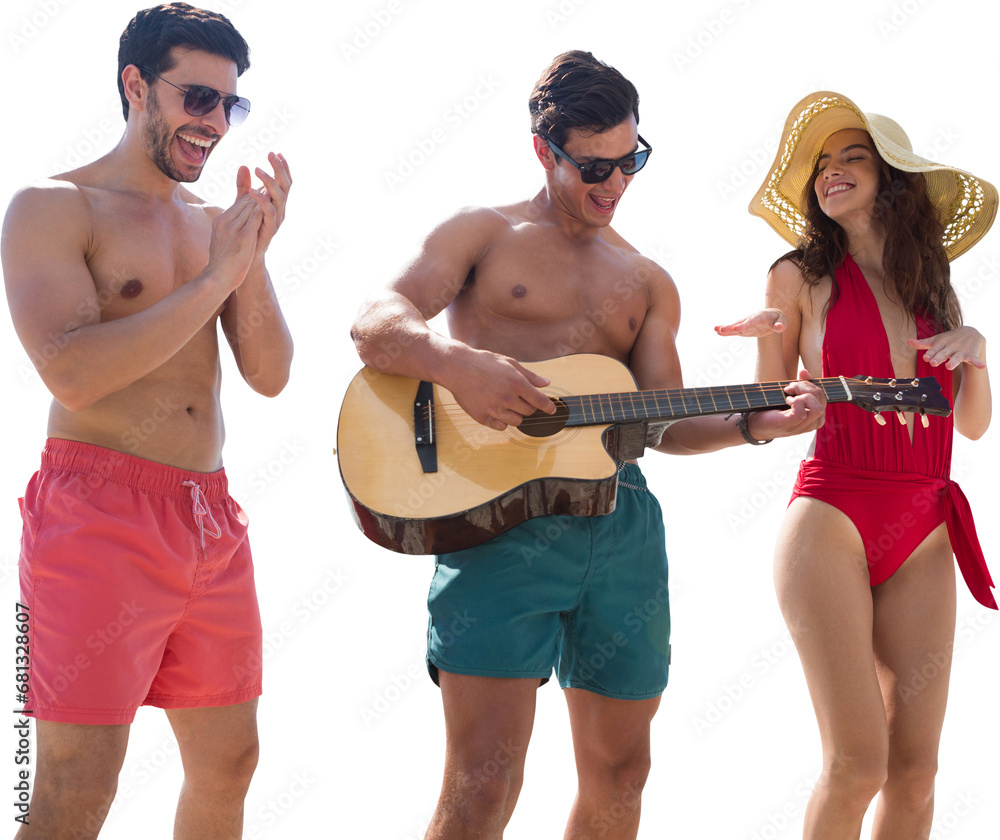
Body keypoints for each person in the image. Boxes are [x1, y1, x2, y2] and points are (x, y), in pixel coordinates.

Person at [350, 50, 825, 840]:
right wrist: (452, 362)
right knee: (483, 783)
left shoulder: (646, 280)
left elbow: (659, 422)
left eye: (631, 160)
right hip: (495, 523)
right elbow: (376, 320)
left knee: (621, 776)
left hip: (622, 524)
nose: (615, 182)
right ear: (545, 149)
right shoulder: (483, 232)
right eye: (595, 165)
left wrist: (753, 424)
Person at [2, 3, 292, 838]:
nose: (214, 124)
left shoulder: (212, 228)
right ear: (137, 86)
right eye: (197, 99)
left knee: (231, 762)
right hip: (97, 514)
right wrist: (212, 282)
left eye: (230, 107)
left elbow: (270, 377)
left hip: (207, 514)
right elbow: (73, 371)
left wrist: (252, 259)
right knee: (76, 789)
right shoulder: (54, 207)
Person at [717, 91, 996, 838]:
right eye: (822, 165)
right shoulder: (796, 275)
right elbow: (768, 409)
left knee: (915, 778)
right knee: (857, 765)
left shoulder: (932, 284)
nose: (831, 173)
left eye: (853, 158)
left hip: (926, 526)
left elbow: (970, 427)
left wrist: (976, 353)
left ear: (892, 178)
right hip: (832, 514)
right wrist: (768, 340)